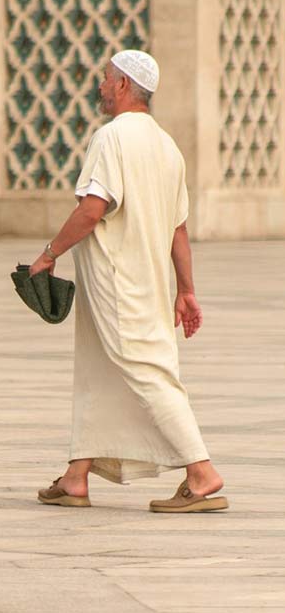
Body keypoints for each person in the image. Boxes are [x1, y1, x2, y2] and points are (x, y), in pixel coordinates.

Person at [29, 50, 228, 513]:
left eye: (104, 79)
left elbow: (92, 209)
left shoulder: (112, 138)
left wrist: (48, 255)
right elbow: (179, 229)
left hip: (118, 281)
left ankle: (201, 473)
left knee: (148, 371)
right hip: (150, 282)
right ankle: (76, 477)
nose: (99, 86)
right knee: (100, 367)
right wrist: (186, 290)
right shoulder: (166, 145)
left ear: (121, 86)